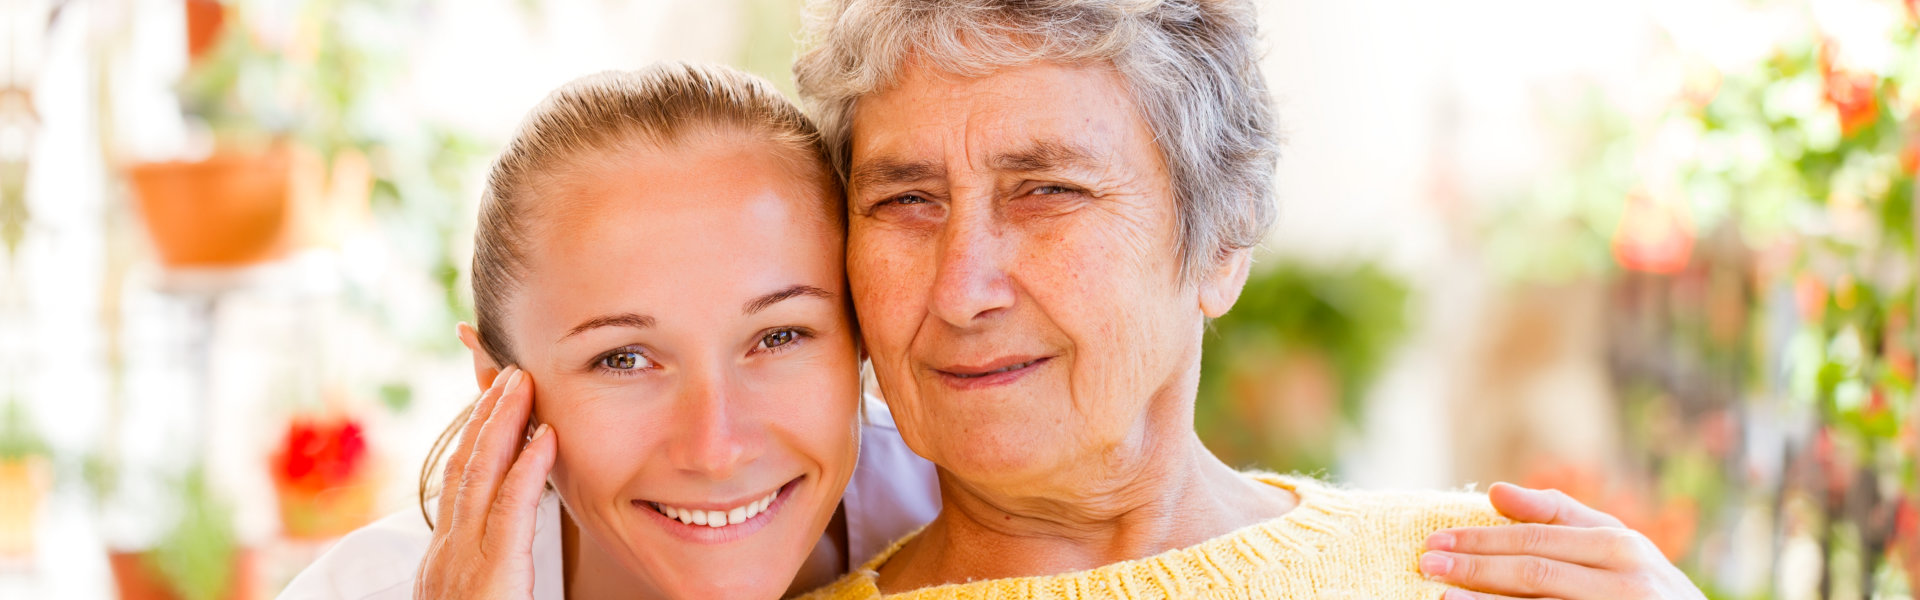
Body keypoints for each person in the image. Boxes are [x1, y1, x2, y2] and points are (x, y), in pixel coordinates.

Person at [789, 0, 1710, 598]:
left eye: (1049, 191)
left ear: (1222, 241)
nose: (962, 288)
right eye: (905, 201)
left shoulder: (1486, 578)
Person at [278, 62, 938, 600]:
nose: (716, 450)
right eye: (622, 359)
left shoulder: (978, 512)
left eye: (778, 337)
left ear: (859, 335)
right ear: (501, 394)